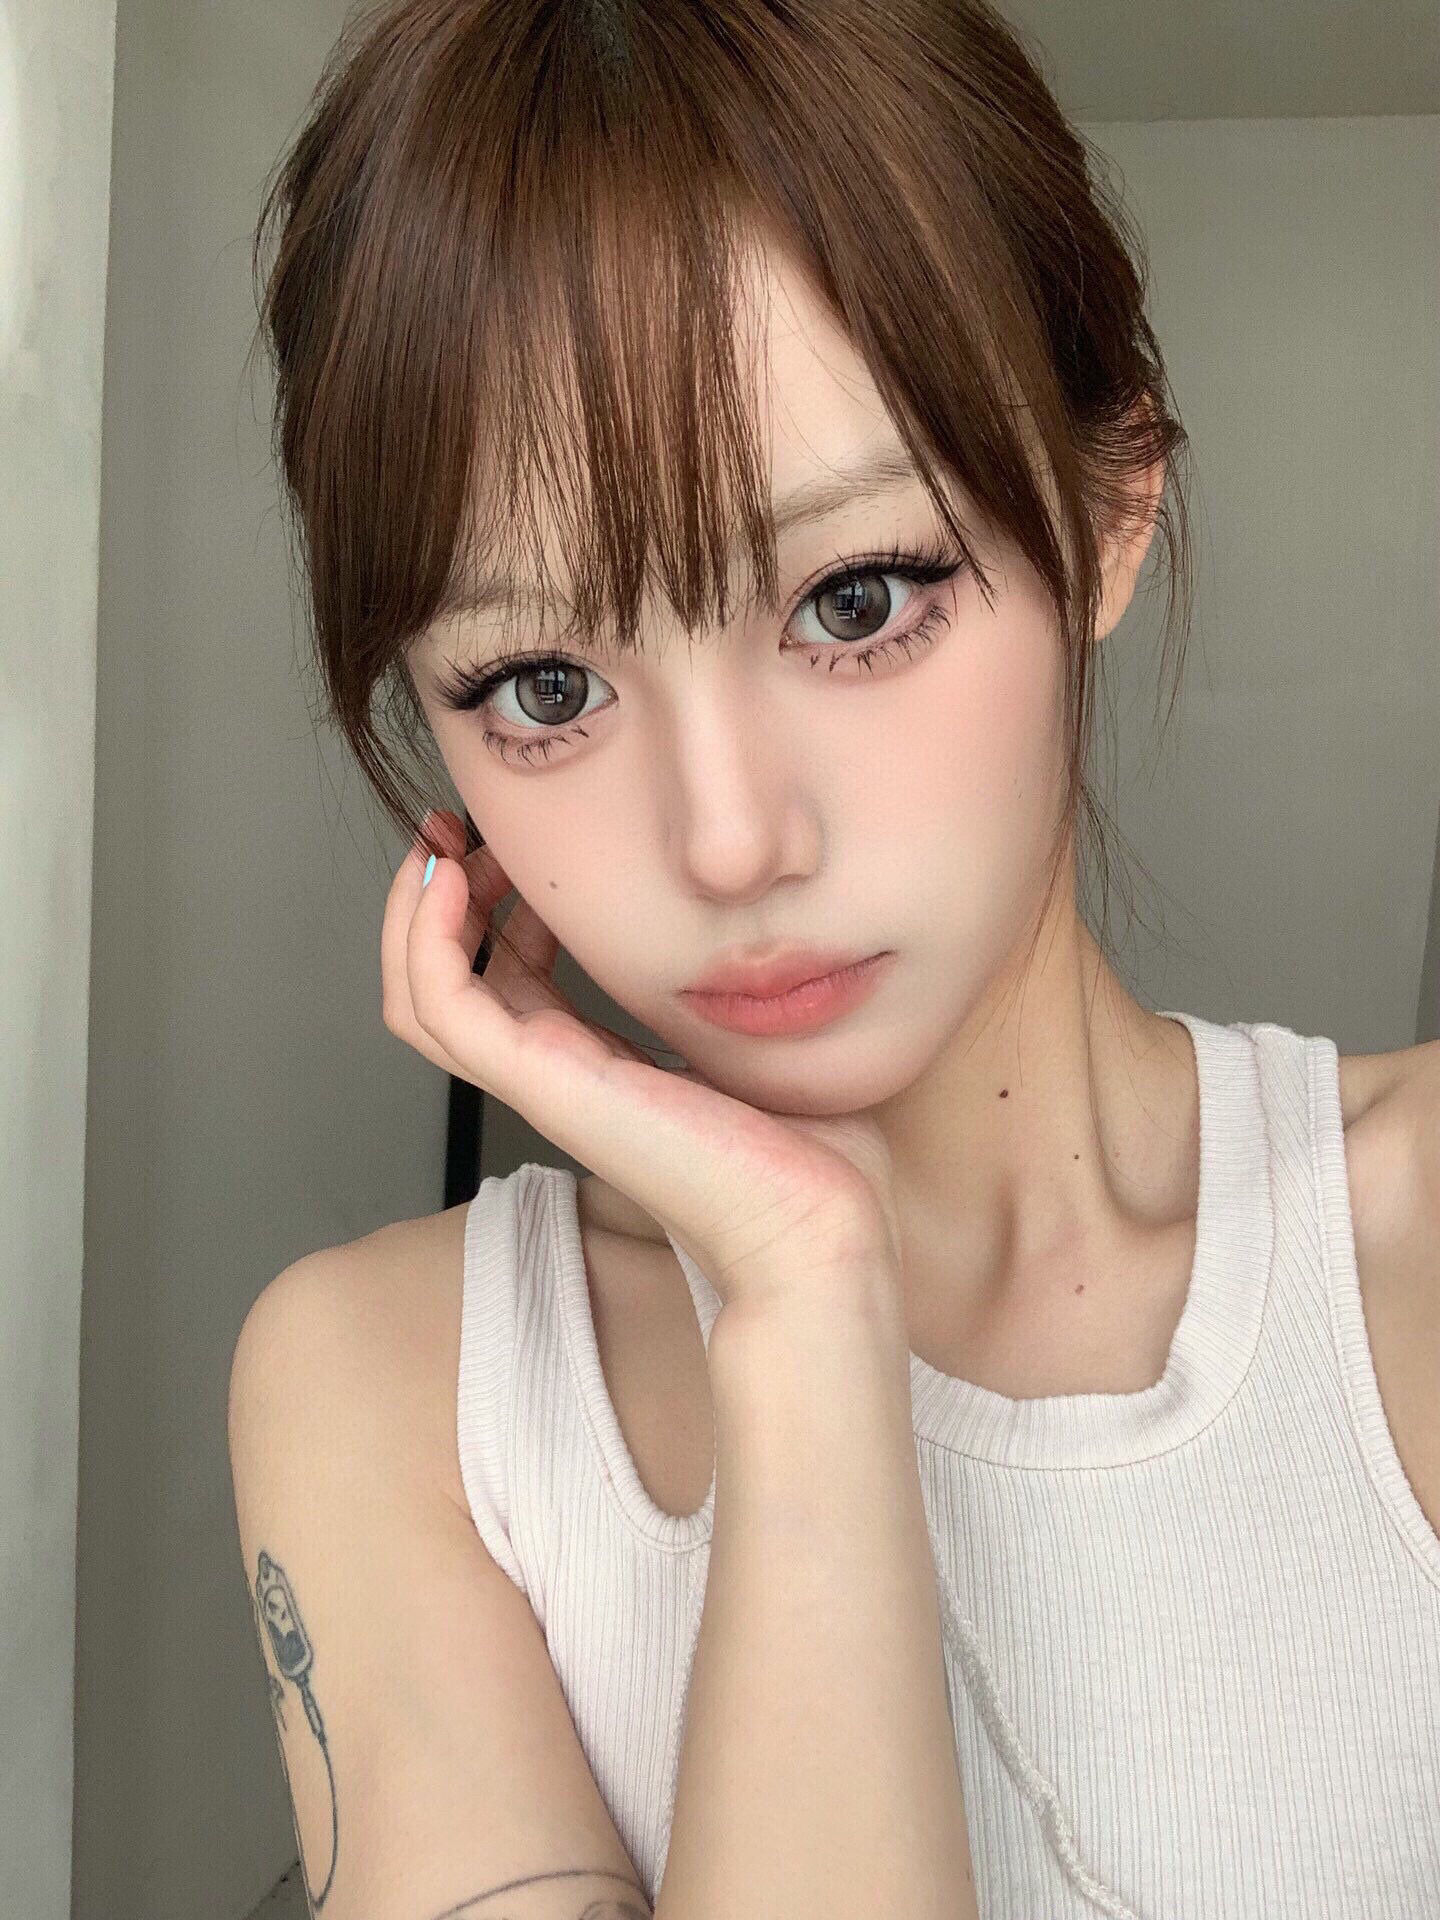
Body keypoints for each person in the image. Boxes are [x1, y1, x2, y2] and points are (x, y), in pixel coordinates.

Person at [226, 1, 1440, 1915]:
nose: (727, 841)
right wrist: (802, 1302)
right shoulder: (391, 1389)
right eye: (542, 686)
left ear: (1111, 503)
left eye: (854, 598)